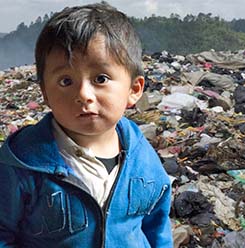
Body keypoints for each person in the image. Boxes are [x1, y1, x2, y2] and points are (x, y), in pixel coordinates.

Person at [0, 2, 173, 247]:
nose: (83, 94)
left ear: (134, 90)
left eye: (100, 79)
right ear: (45, 94)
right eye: (66, 81)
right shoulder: (21, 163)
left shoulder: (141, 156)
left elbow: (157, 223)